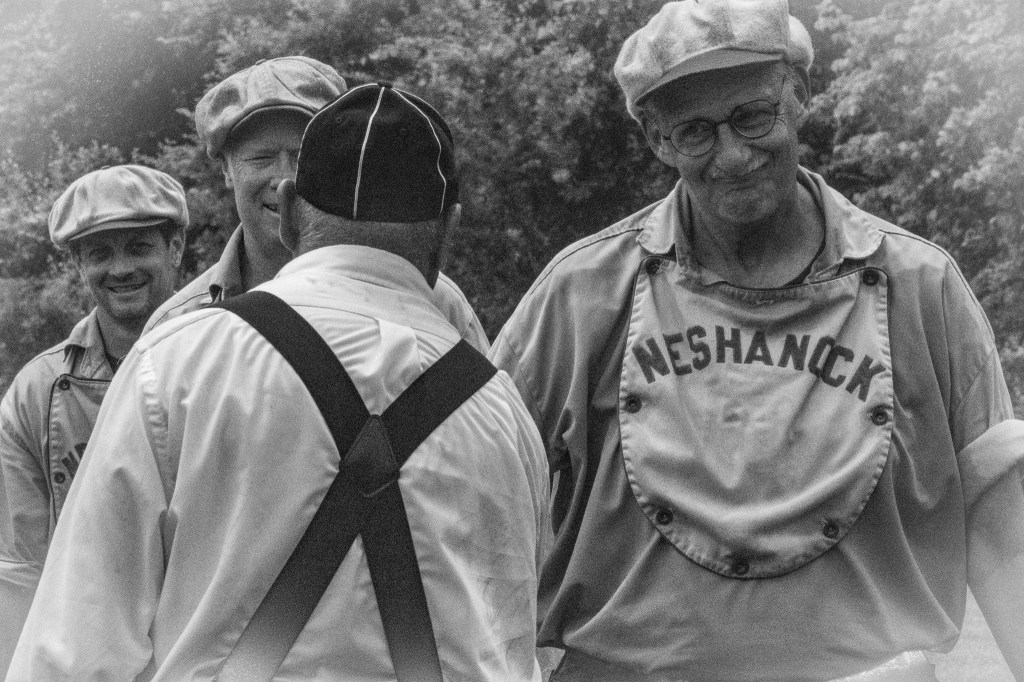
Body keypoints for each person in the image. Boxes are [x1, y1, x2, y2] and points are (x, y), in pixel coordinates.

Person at [489, 1, 1024, 680]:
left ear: (798, 97)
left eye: (752, 116)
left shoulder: (920, 286)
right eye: (695, 132)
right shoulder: (583, 294)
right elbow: (479, 490)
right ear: (657, 140)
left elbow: (1003, 530)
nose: (734, 155)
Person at [8, 82, 550, 680]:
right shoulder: (503, 410)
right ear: (448, 229)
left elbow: (77, 644)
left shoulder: (179, 359)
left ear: (290, 210)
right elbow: (515, 643)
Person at [144, 55, 490, 352]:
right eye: (261, 158)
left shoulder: (437, 302)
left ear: (340, 162)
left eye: (299, 156)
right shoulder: (177, 326)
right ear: (226, 170)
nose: (282, 179)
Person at [0, 164, 186, 675]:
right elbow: (23, 568)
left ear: (176, 247)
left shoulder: (234, 360)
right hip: (88, 658)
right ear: (78, 265)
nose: (120, 267)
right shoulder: (36, 392)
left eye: (139, 246)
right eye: (99, 253)